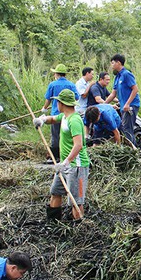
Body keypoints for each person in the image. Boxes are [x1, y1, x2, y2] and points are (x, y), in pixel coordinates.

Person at [33, 90, 90, 221]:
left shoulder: (74, 120)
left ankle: (79, 230)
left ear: (61, 103)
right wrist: (41, 120)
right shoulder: (64, 117)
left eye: (57, 101)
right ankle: (53, 223)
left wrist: (66, 162)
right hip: (64, 166)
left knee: (76, 201)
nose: (56, 104)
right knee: (55, 192)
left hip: (76, 166)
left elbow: (78, 145)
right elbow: (52, 119)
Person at [40, 63, 78, 164]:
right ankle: (66, 155)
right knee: (66, 136)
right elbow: (77, 97)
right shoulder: (71, 85)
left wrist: (44, 108)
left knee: (55, 136)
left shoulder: (53, 84)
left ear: (57, 74)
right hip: (68, 114)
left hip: (55, 113)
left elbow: (48, 99)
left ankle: (56, 156)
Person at [104, 54, 141, 145]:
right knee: (124, 128)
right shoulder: (117, 77)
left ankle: (133, 151)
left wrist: (128, 104)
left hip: (130, 106)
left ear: (119, 63)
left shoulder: (126, 74)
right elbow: (113, 94)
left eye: (113, 63)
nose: (111, 65)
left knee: (127, 129)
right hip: (123, 106)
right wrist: (104, 104)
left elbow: (135, 89)